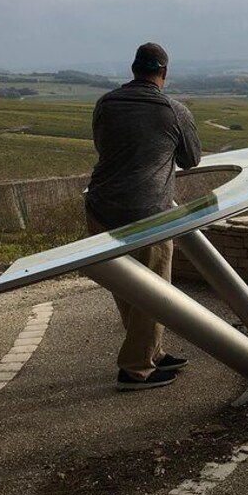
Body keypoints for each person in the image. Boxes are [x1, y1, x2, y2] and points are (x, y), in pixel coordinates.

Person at [85, 42, 202, 391]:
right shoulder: (173, 109)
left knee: (127, 286)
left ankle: (153, 351)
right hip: (149, 213)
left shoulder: (106, 103)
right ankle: (136, 369)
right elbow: (191, 159)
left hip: (101, 207)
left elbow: (103, 146)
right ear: (163, 73)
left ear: (133, 69)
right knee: (154, 291)